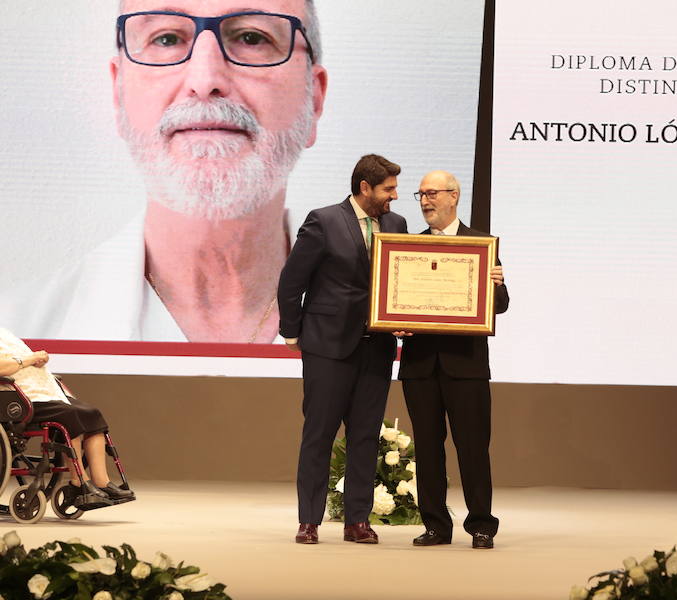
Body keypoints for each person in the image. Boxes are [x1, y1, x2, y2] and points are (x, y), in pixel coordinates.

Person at [1, 0, 327, 343]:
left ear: (314, 100)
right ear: (118, 92)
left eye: (252, 38)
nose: (205, 80)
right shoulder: (13, 337)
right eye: (166, 39)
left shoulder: (371, 325)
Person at [278, 154, 407, 544]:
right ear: (365, 187)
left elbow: (402, 281)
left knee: (365, 436)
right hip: (328, 347)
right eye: (388, 189)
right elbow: (291, 281)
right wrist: (292, 333)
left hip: (377, 347)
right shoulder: (324, 220)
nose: (395, 196)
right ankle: (309, 520)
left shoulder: (397, 225)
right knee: (319, 434)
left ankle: (357, 521)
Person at [396, 170, 509, 550]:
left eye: (432, 193)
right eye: (421, 194)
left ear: (454, 196)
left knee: (473, 448)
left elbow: (501, 306)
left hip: (466, 367)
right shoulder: (408, 248)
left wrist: (496, 284)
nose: (425, 201)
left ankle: (481, 526)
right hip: (420, 366)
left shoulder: (481, 245)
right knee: (428, 450)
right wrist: (395, 320)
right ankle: (436, 526)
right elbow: (396, 303)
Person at [0, 328, 135, 508]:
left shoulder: (5, 333)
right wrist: (30, 359)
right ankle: (79, 483)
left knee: (91, 414)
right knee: (68, 416)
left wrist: (39, 360)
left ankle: (102, 482)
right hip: (19, 400)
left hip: (45, 393)